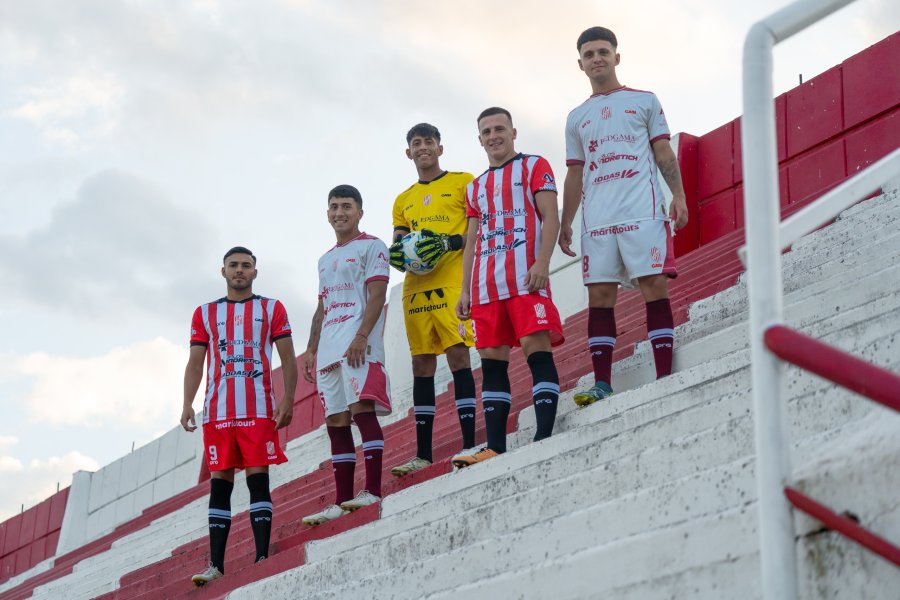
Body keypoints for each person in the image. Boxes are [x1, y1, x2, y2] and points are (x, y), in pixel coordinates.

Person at [559, 27, 689, 406]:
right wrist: (567, 221)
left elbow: (663, 152)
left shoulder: (645, 100)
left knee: (654, 286)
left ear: (617, 56)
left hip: (642, 211)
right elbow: (574, 172)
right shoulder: (576, 117)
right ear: (580, 64)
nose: (596, 58)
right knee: (599, 296)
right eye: (589, 54)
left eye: (603, 51)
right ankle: (602, 383)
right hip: (597, 220)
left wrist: (677, 195)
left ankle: (664, 374)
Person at [453, 107, 565, 468]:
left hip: (524, 280)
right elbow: (471, 242)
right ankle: (496, 447)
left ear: (513, 132)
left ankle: (544, 436)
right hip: (486, 289)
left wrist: (543, 262)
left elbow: (550, 215)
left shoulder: (535, 166)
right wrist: (465, 291)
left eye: (499, 128)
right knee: (492, 365)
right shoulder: (474, 187)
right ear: (480, 138)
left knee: (537, 351)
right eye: (486, 131)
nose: (493, 136)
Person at [181, 246, 297, 586]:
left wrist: (288, 399)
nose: (240, 271)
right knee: (220, 486)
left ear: (255, 273)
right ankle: (216, 565)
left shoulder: (271, 308)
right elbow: (195, 362)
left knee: (257, 480)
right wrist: (187, 403)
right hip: (218, 413)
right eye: (233, 265)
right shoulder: (204, 313)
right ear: (223, 272)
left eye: (246, 266)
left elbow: (288, 358)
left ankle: (261, 556)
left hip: (258, 411)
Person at [388, 123, 478, 477]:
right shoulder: (403, 199)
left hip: (453, 283)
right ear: (408, 153)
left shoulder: (462, 181)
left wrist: (449, 244)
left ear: (440, 148)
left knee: (458, 354)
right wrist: (396, 254)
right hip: (416, 289)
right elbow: (398, 241)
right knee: (421, 365)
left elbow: (475, 226)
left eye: (429, 142)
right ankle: (422, 453)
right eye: (416, 143)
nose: (423, 147)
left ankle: (469, 441)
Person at [301, 184, 392, 526]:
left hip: (357, 344)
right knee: (336, 422)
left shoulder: (372, 246)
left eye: (347, 206)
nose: (340, 212)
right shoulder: (324, 259)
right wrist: (311, 349)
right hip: (328, 349)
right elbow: (322, 307)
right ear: (327, 213)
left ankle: (372, 490)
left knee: (361, 412)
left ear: (360, 212)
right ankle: (341, 501)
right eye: (334, 207)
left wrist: (361, 335)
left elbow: (377, 294)